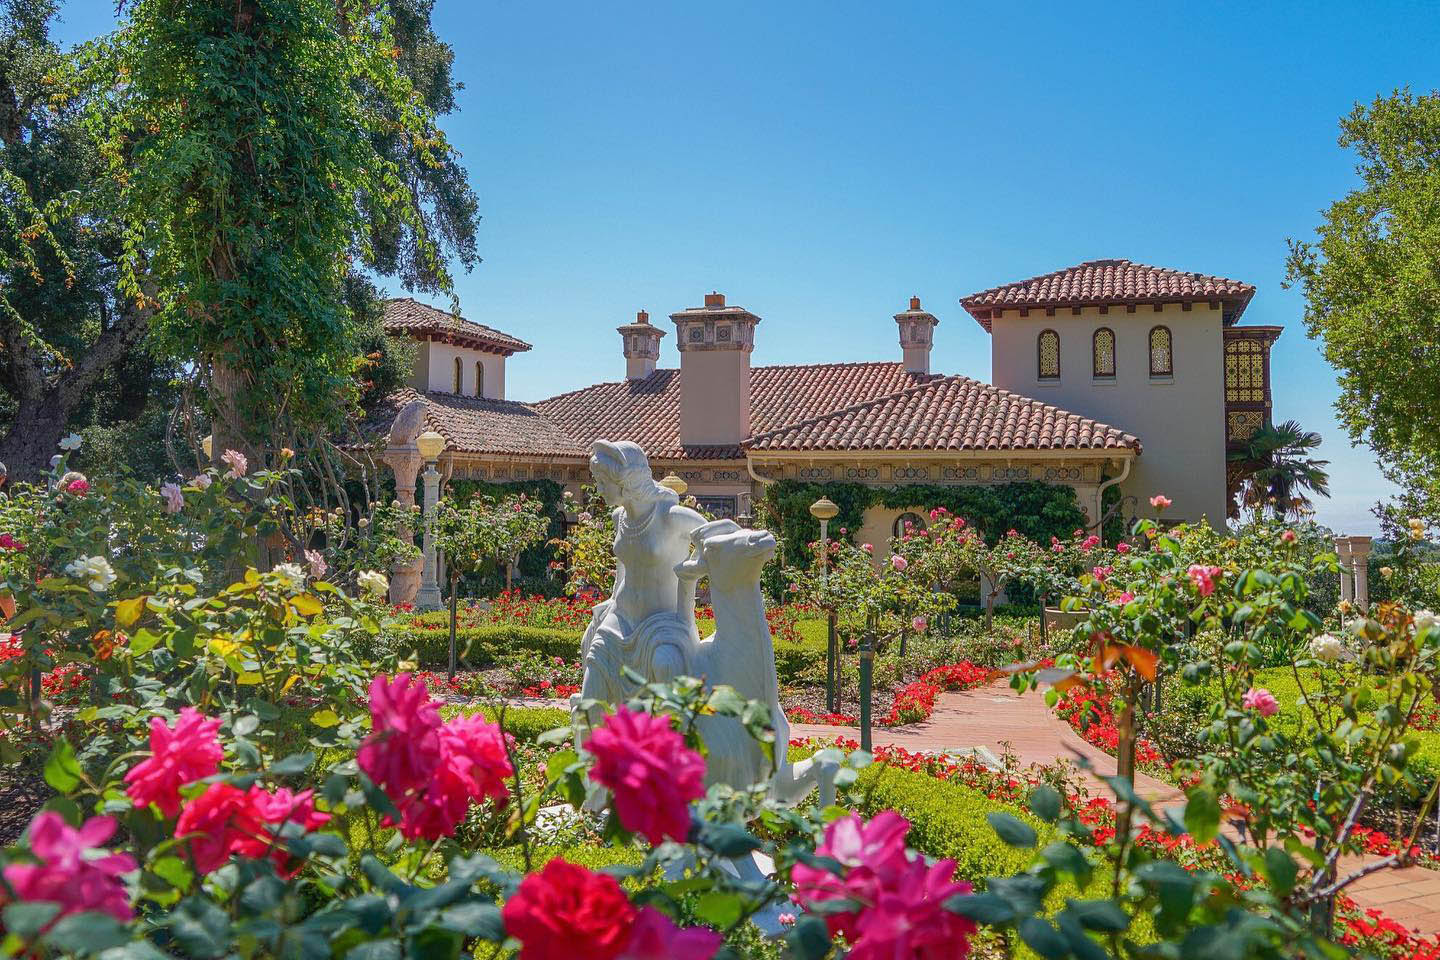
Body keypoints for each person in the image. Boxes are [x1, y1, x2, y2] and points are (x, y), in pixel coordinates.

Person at [577, 441, 705, 704]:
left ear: (627, 481)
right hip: (620, 619)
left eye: (603, 482)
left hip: (662, 625)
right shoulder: (619, 518)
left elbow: (716, 542)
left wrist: (689, 579)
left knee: (667, 691)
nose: (598, 489)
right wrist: (610, 602)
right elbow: (623, 569)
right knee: (589, 707)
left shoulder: (672, 516)